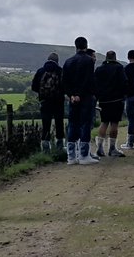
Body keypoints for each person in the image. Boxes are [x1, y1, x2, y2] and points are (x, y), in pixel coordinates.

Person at [62, 36, 98, 165]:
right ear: (86, 45)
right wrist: (79, 94)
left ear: (75, 46)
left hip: (72, 99)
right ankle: (84, 155)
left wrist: (71, 94)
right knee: (85, 124)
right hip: (85, 97)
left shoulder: (68, 61)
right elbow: (88, 80)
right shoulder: (89, 61)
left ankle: (71, 156)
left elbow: (64, 81)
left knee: (73, 124)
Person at [94, 50, 128, 157]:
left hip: (103, 100)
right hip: (116, 100)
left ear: (106, 58)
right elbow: (124, 83)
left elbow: (95, 84)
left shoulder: (99, 69)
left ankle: (99, 147)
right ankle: (112, 148)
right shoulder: (119, 68)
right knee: (114, 123)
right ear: (115, 57)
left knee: (104, 122)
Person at [30, 51, 65, 152]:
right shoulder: (60, 71)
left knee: (46, 124)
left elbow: (34, 87)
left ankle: (45, 149)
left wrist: (42, 94)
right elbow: (64, 86)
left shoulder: (40, 71)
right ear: (57, 61)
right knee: (59, 123)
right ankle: (60, 147)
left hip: (45, 101)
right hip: (58, 101)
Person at [120, 50, 134, 150]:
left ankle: (130, 143)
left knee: (131, 120)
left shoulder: (125, 69)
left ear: (128, 58)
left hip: (130, 97)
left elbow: (123, 83)